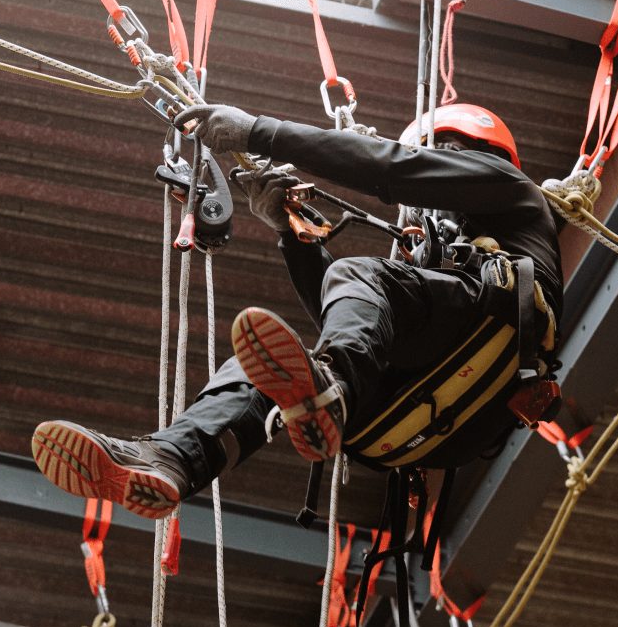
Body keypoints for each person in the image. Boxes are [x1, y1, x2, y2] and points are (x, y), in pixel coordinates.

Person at [30, 103, 563, 520]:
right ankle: (173, 460)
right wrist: (292, 235)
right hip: (417, 422)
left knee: (357, 278)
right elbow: (354, 324)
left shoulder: (513, 194)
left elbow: (393, 170)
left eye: (444, 154)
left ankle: (332, 390)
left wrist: (256, 131)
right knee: (260, 365)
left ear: (472, 154)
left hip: (487, 352)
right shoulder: (428, 265)